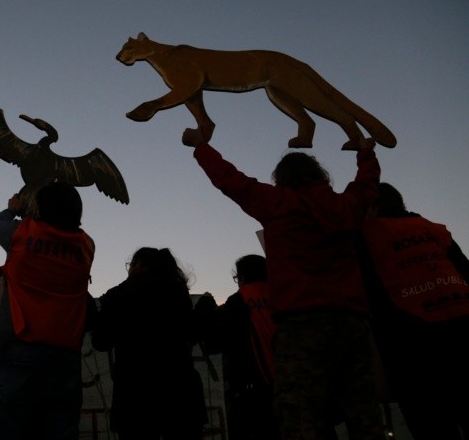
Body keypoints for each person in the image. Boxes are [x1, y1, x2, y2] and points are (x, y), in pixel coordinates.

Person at [183, 127, 385, 440]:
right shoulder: (345, 207)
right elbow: (367, 185)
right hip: (353, 323)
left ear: (282, 178)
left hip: (301, 324)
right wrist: (365, 153)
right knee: (363, 412)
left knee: (300, 415)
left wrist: (200, 146)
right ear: (319, 174)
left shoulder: (277, 203)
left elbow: (230, 180)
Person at [0, 182, 96, 440]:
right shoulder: (87, 246)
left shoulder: (21, 233)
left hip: (22, 349)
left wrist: (12, 208)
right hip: (66, 356)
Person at [358, 182, 469, 440]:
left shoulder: (367, 235)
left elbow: (364, 286)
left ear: (370, 209)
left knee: (432, 425)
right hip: (463, 327)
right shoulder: (433, 229)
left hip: (411, 342)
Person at [92, 247, 208, 439]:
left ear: (138, 265)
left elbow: (101, 341)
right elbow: (193, 332)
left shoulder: (119, 294)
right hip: (180, 393)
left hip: (135, 396)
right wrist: (204, 307)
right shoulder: (177, 292)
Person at [194, 254, 279, 440]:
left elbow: (214, 341)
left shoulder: (238, 302)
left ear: (242, 277)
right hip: (292, 387)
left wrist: (206, 304)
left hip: (254, 398)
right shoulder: (282, 296)